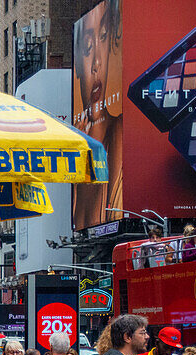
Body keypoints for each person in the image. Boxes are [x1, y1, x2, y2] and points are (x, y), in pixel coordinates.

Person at [72, 0, 123, 230]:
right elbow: (81, 224)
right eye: (87, 48)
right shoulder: (75, 148)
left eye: (103, 37)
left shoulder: (122, 134)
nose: (97, 63)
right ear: (78, 71)